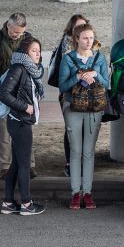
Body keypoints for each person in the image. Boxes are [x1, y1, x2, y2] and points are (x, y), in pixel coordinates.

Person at [58, 23, 110, 210]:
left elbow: (107, 84)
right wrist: (79, 77)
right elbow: (62, 86)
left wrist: (95, 74)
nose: (89, 41)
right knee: (76, 151)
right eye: (85, 38)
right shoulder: (68, 59)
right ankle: (74, 193)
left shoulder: (100, 58)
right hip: (73, 107)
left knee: (89, 152)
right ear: (76, 40)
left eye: (91, 38)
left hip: (94, 108)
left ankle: (87, 192)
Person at [0, 37, 47, 216]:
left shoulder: (30, 70)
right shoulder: (18, 68)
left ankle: (8, 202)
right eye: (34, 51)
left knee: (17, 164)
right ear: (25, 52)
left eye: (39, 51)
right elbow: (4, 94)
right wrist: (25, 107)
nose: (38, 54)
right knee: (24, 164)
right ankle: (26, 203)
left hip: (22, 121)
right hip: (19, 122)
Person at [0, 13, 32, 180]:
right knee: (3, 130)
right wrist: (14, 65)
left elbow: (35, 62)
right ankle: (5, 166)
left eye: (21, 33)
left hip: (23, 92)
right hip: (1, 91)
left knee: (25, 129)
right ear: (8, 26)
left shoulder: (28, 39)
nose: (18, 35)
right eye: (15, 32)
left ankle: (28, 164)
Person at [51, 14, 88, 178]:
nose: (82, 29)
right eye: (78, 27)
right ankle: (70, 163)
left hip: (87, 92)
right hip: (69, 92)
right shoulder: (68, 42)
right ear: (72, 29)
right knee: (72, 128)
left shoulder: (90, 42)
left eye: (84, 26)